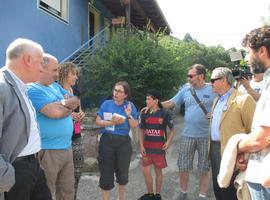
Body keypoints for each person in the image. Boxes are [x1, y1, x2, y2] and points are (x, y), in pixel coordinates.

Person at [0, 38, 52, 200]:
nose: (42, 69)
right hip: (15, 170)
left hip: (33, 165)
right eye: (41, 62)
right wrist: (5, 177)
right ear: (28, 60)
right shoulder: (2, 88)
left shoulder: (21, 87)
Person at [28, 54, 80, 200]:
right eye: (54, 70)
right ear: (41, 69)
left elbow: (75, 100)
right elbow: (55, 113)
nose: (58, 74)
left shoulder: (55, 86)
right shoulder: (33, 89)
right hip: (48, 149)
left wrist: (63, 104)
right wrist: (65, 104)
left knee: (67, 192)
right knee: (45, 192)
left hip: (66, 147)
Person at [162, 64, 216, 200]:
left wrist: (215, 113)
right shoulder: (186, 89)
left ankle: (202, 195)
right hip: (187, 135)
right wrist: (154, 105)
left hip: (206, 136)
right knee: (183, 165)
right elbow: (171, 102)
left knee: (204, 167)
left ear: (201, 76)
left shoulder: (213, 89)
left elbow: (225, 104)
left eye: (191, 76)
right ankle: (183, 192)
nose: (189, 78)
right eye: (188, 76)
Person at [209, 67, 256, 200]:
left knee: (231, 191)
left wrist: (245, 155)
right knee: (218, 187)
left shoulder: (244, 99)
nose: (210, 83)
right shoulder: (216, 100)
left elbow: (253, 130)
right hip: (215, 149)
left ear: (224, 80)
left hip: (234, 153)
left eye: (213, 80)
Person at [236, 25, 270, 200]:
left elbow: (262, 138)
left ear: (262, 51)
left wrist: (237, 147)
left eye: (249, 52)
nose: (247, 59)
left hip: (265, 180)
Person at [95, 81, 138, 200]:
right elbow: (98, 120)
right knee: (106, 174)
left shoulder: (130, 106)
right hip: (107, 141)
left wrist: (128, 115)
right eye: (115, 90)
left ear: (125, 95)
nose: (116, 93)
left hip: (123, 142)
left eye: (120, 91)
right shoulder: (106, 104)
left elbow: (134, 126)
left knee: (123, 175)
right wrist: (110, 123)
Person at [138, 90, 175, 200]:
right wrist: (141, 145)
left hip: (159, 148)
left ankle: (157, 195)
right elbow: (141, 130)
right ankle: (150, 194)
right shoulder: (144, 113)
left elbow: (173, 130)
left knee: (158, 171)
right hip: (147, 148)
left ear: (156, 100)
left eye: (149, 99)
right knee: (145, 170)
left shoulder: (165, 113)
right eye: (146, 98)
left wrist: (168, 143)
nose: (146, 100)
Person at [58, 62, 85, 199]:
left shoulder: (76, 92)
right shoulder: (56, 90)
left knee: (78, 169)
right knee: (61, 174)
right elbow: (54, 110)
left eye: (77, 74)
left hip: (76, 134)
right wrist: (69, 114)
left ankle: (73, 196)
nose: (76, 77)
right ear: (64, 73)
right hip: (61, 138)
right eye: (73, 74)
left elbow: (79, 110)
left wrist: (81, 114)